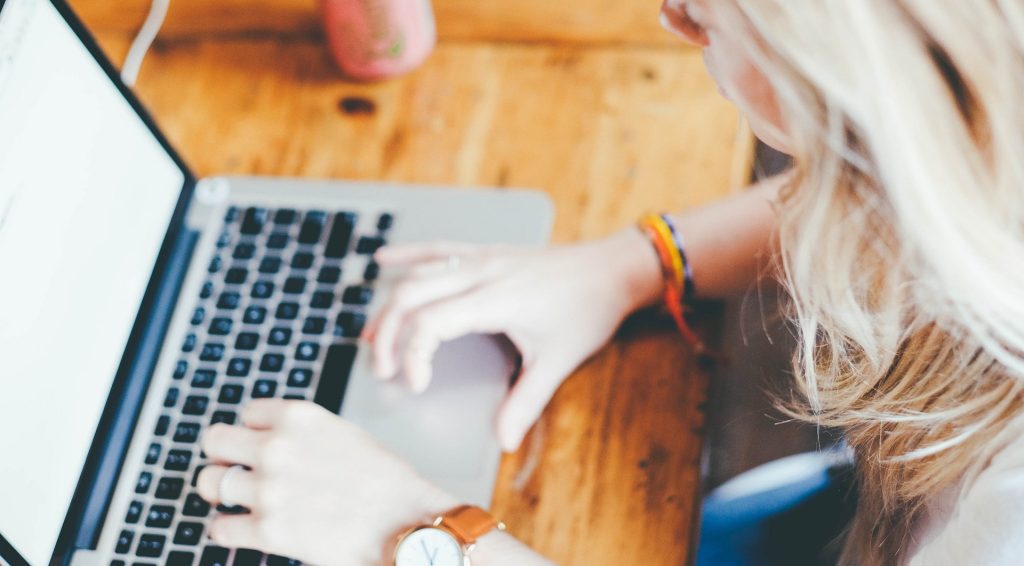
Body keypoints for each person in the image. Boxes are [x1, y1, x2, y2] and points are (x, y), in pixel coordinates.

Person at [195, 0, 1024, 564]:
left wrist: (412, 532)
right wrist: (634, 264)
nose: (672, 18)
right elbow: (901, 180)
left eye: (710, 6)